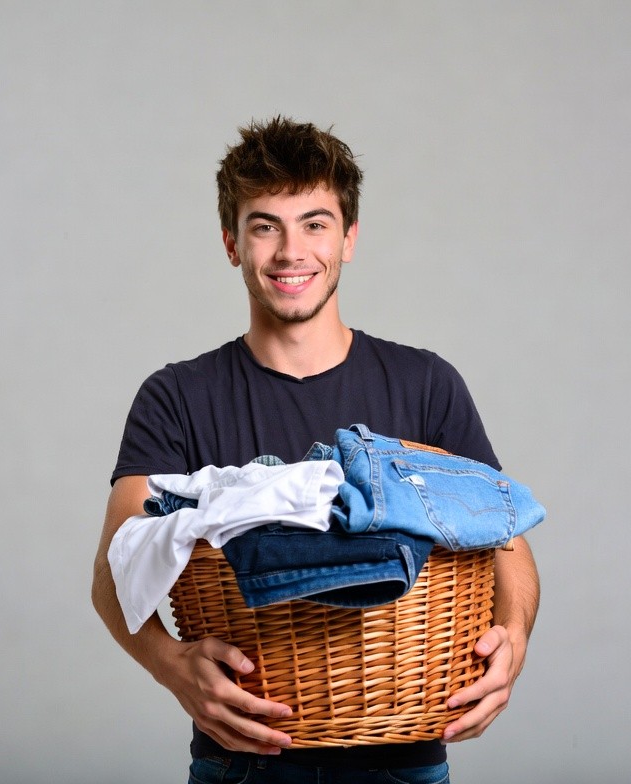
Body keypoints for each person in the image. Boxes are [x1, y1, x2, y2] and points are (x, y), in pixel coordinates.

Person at [91, 116, 540, 784]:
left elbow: (508, 542)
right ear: (231, 243)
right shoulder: (178, 395)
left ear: (350, 238)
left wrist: (513, 642)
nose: (290, 251)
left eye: (315, 223)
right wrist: (174, 667)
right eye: (264, 225)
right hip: (242, 761)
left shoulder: (424, 383)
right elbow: (115, 570)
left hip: (405, 760)